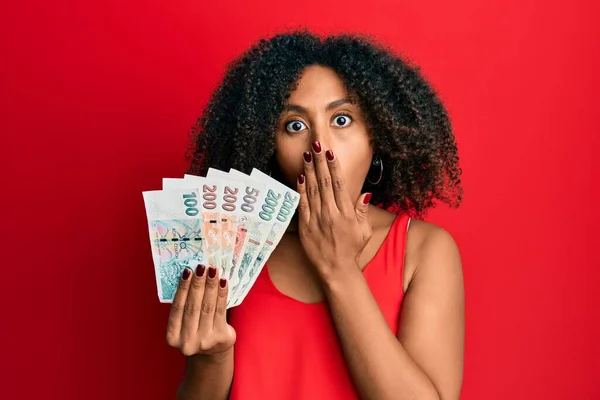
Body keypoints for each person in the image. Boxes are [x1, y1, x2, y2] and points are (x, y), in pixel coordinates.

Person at [166, 30, 464, 400]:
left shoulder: (425, 250)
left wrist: (338, 266)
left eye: (341, 120)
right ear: (267, 147)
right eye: (295, 126)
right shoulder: (237, 246)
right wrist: (213, 357)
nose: (320, 147)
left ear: (377, 136)